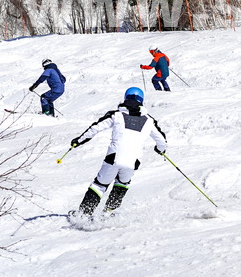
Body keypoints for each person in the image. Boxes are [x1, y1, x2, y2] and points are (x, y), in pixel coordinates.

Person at [69, 87, 168, 215]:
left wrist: (78, 141)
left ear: (125, 98)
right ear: (141, 100)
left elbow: (95, 129)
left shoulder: (116, 115)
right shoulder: (149, 121)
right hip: (133, 161)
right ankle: (109, 213)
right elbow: (161, 141)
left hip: (114, 158)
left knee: (100, 185)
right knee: (123, 183)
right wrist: (160, 150)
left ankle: (83, 214)